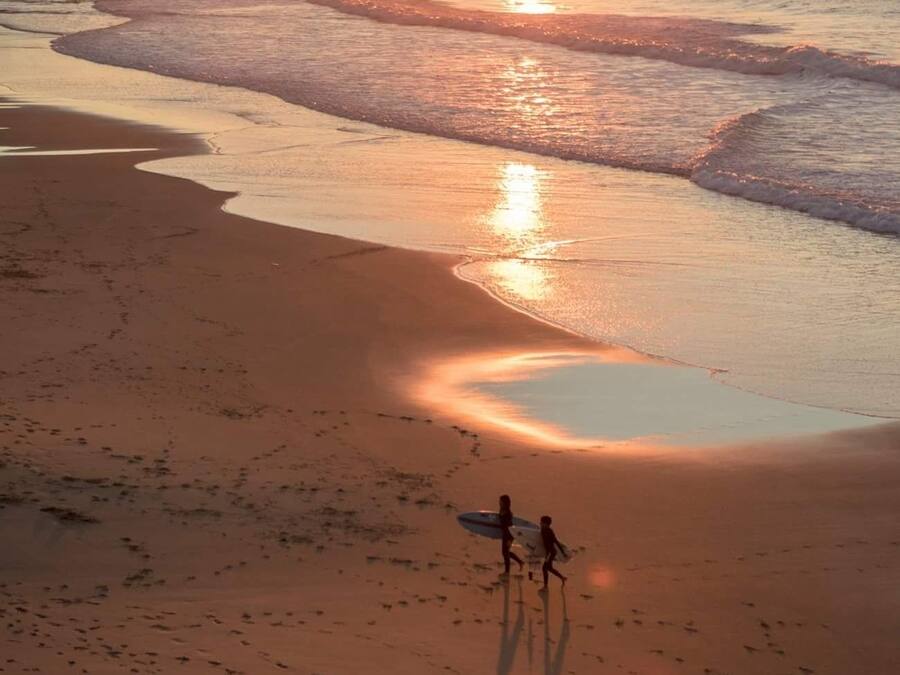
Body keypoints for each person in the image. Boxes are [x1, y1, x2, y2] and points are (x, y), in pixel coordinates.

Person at [539, 515, 567, 589]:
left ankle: (545, 586)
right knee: (549, 568)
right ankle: (562, 578)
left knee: (544, 568)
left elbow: (556, 541)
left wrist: (562, 552)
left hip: (550, 552)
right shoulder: (543, 530)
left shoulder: (548, 531)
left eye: (541, 522)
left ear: (545, 524)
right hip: (549, 552)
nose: (540, 523)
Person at [498, 494, 524, 575]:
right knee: (505, 552)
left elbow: (509, 527)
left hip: (509, 534)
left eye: (501, 501)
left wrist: (509, 539)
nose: (499, 502)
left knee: (505, 553)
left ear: (504, 502)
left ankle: (507, 571)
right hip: (505, 533)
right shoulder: (502, 510)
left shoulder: (508, 514)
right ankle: (520, 562)